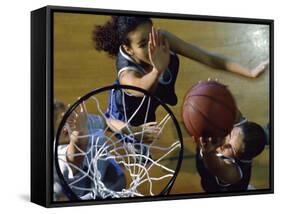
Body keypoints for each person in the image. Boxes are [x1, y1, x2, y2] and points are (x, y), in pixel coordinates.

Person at [93, 16, 268, 126]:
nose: (152, 45)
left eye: (152, 35)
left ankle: (164, 94)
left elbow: (207, 58)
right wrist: (157, 70)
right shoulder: (127, 74)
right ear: (128, 49)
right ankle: (137, 147)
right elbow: (139, 87)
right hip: (130, 113)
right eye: (142, 44)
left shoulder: (162, 39)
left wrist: (249, 72)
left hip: (156, 95)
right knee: (142, 138)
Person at [55, 101, 161, 199]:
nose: (66, 127)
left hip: (109, 177)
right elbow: (75, 156)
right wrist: (79, 136)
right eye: (59, 126)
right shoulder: (59, 155)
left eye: (66, 120)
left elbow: (106, 122)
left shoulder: (76, 125)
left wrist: (134, 131)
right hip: (88, 197)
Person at [194, 115, 267, 193]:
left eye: (231, 148)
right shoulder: (239, 129)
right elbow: (230, 108)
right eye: (229, 135)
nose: (224, 144)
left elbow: (216, 167)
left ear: (240, 157)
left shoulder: (234, 173)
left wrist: (207, 152)